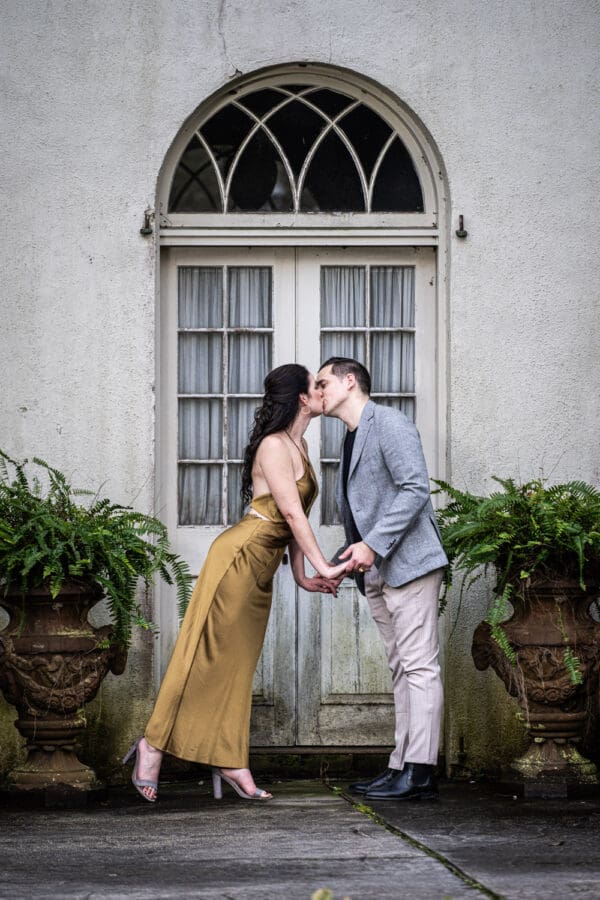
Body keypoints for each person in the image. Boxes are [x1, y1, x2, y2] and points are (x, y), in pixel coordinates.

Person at [124, 364, 348, 802]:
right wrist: (324, 565)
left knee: (235, 668)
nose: (324, 392)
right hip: (238, 560)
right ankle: (152, 747)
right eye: (316, 386)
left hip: (259, 567)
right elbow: (290, 514)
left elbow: (293, 521)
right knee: (202, 659)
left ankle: (228, 758)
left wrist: (303, 575)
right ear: (303, 398)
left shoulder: (298, 444)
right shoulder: (273, 446)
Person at [316, 357, 448, 801]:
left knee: (419, 667)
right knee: (401, 668)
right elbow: (364, 513)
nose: (317, 392)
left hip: (408, 564)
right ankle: (400, 766)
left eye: (322, 383)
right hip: (376, 571)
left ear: (349, 381)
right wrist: (346, 559)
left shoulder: (389, 422)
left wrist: (373, 545)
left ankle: (422, 772)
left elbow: (415, 489)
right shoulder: (351, 438)